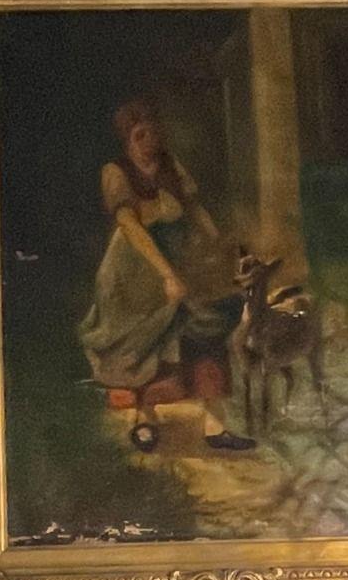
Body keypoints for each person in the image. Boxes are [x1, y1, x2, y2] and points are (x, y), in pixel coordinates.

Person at [77, 100, 254, 452]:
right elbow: (130, 227)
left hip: (176, 260)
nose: (149, 141)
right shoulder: (116, 172)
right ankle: (146, 420)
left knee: (205, 328)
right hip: (132, 271)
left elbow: (194, 208)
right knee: (146, 344)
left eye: (153, 133)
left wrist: (221, 245)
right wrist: (167, 275)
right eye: (140, 135)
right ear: (128, 139)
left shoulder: (171, 166)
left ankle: (215, 426)